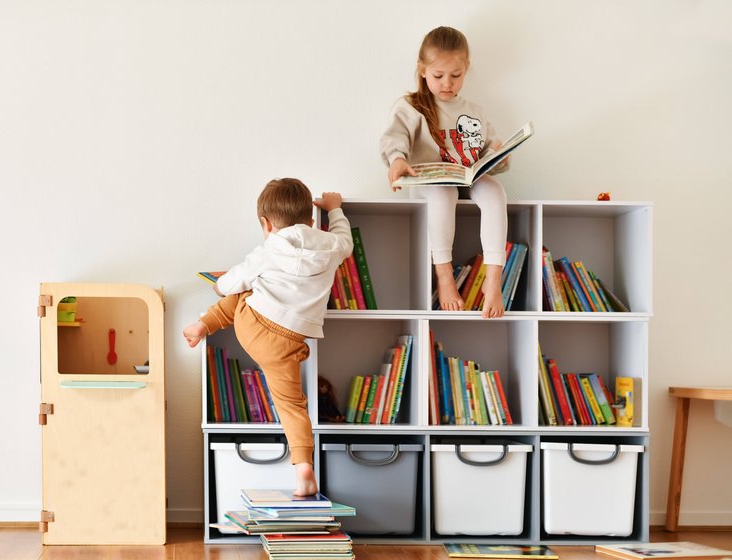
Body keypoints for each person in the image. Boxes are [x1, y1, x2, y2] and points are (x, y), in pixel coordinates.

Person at [183, 178, 353, 496]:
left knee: (243, 290)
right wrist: (337, 208)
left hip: (252, 325)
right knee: (292, 406)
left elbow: (231, 283)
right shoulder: (332, 247)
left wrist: (219, 285)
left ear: (266, 223)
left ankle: (201, 326)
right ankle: (303, 467)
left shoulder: (270, 248)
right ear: (312, 220)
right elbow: (346, 239)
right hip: (289, 342)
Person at [380, 26, 509, 318]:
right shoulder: (411, 106)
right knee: (444, 192)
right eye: (439, 76)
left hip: (467, 174)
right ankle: (444, 276)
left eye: (456, 75)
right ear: (423, 71)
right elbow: (394, 138)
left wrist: (498, 156)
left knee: (494, 191)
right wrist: (397, 160)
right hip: (430, 181)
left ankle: (493, 281)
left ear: (467, 69)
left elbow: (489, 149)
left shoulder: (474, 110)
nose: (447, 84)